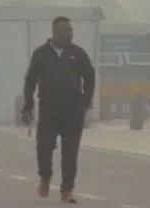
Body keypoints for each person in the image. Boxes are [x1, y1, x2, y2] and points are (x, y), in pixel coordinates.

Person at [21, 16, 96, 204]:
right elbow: (30, 80)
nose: (69, 33)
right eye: (65, 30)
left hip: (73, 111)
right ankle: (45, 175)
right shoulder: (41, 54)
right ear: (54, 32)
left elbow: (89, 78)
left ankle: (67, 189)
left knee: (70, 152)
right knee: (44, 145)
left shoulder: (78, 54)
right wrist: (27, 105)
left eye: (71, 30)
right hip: (49, 109)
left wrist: (85, 102)